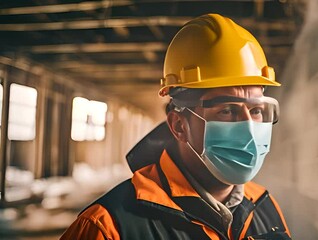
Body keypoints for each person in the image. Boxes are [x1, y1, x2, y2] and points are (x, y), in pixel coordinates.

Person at [61, 13, 291, 240]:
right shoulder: (109, 227)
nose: (249, 129)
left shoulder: (264, 206)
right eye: (227, 110)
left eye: (257, 111)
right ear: (179, 125)